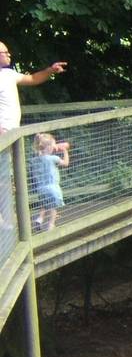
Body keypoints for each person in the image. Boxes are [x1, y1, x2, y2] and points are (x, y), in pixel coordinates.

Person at [1, 40, 67, 230]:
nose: (9, 55)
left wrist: (50, 70)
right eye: (5, 52)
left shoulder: (8, 74)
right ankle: (4, 221)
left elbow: (32, 79)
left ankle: (8, 219)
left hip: (12, 135)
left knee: (7, 179)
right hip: (2, 135)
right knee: (3, 179)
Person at [30, 132, 70, 230]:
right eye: (53, 145)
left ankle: (39, 219)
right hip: (53, 188)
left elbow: (40, 155)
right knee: (53, 207)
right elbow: (65, 163)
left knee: (45, 204)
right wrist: (65, 151)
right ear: (48, 147)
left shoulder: (35, 160)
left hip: (41, 188)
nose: (54, 147)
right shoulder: (53, 158)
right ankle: (51, 225)